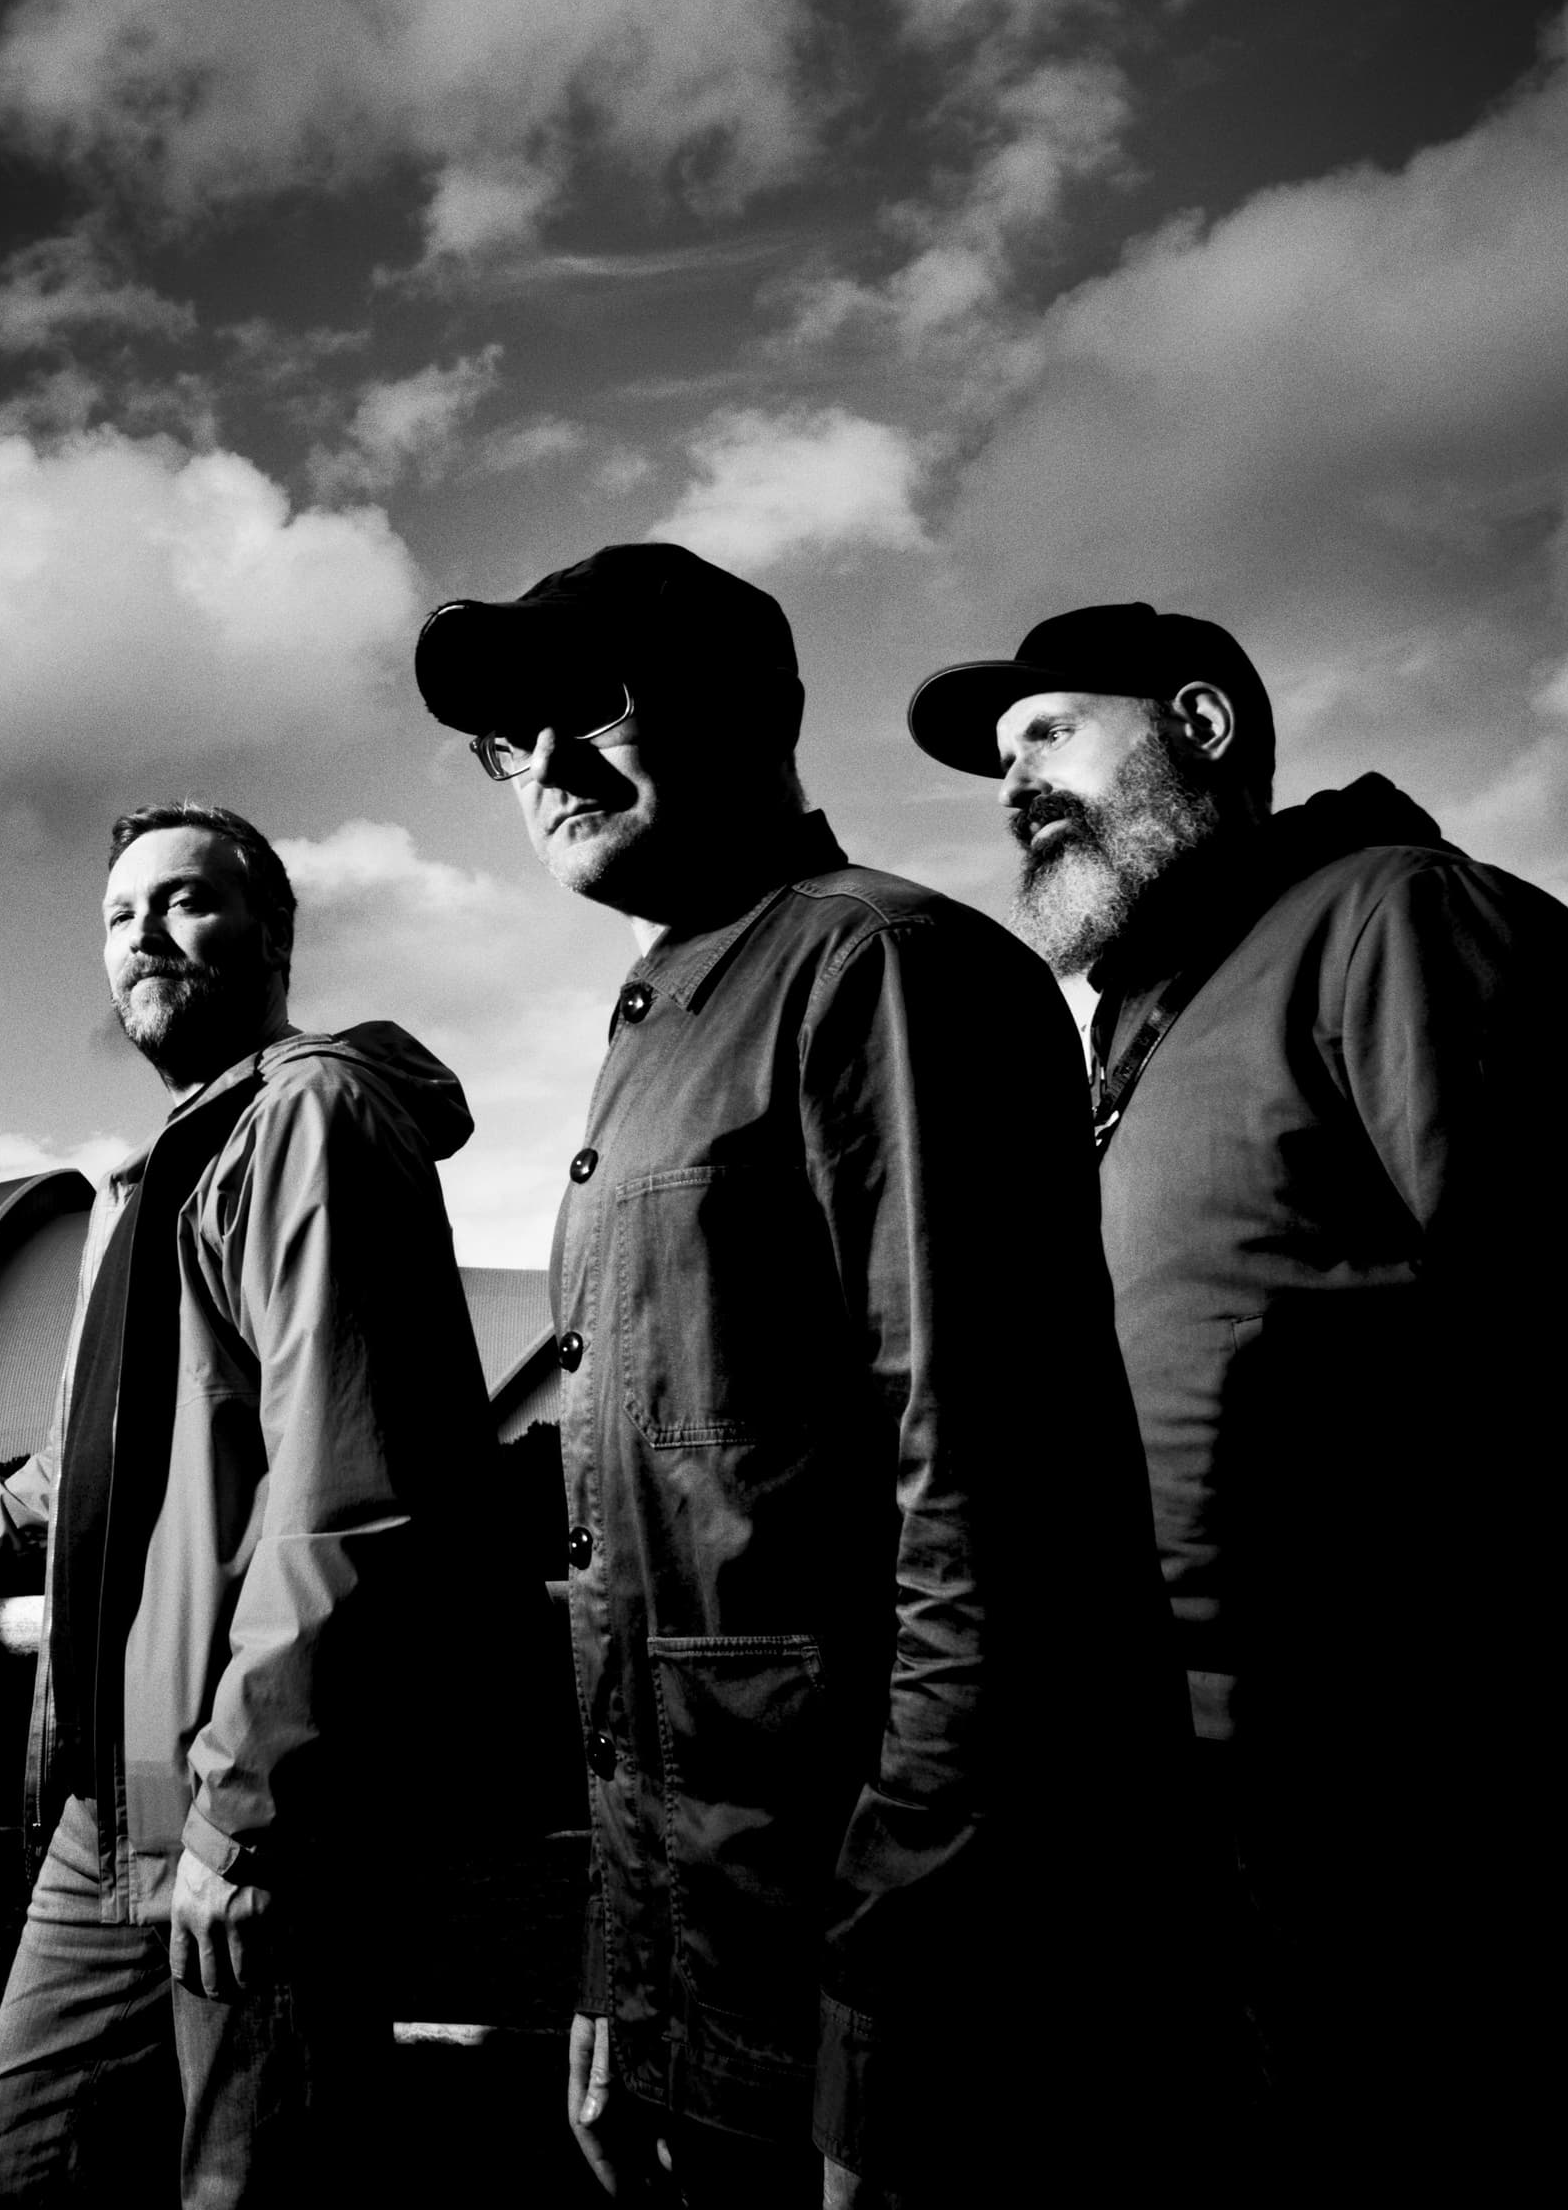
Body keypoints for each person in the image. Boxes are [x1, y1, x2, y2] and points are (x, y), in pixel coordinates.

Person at [416, 544, 1180, 2207]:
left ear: (752, 710)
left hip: (870, 1996)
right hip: (710, 1977)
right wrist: (623, 1973)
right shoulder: (666, 1019)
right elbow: (645, 1559)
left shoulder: (882, 969)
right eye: (506, 737)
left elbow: (993, 1521)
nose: (541, 763)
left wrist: (901, 2017)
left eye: (584, 703)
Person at [907, 604, 1568, 2205]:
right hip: (1183, 1802)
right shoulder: (1150, 1012)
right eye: (1000, 762)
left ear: (1198, 726)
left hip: (1392, 1806)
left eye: (1050, 733)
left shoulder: (1397, 917)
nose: (1015, 785)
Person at [0, 802, 496, 2210]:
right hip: (121, 1789)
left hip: (252, 1784)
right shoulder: (172, 1165)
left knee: (250, 2178)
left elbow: (341, 1488)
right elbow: (140, 1441)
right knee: (18, 2145)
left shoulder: (305, 1119)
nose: (144, 934)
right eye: (118, 915)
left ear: (274, 932)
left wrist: (247, 1813)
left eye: (187, 900)